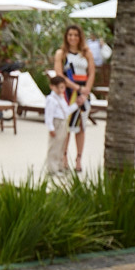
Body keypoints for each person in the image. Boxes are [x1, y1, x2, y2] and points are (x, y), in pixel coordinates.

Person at [53, 24, 96, 172]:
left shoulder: (87, 53)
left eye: (76, 35)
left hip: (84, 93)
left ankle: (78, 159)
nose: (73, 38)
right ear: (66, 36)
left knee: (81, 127)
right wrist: (77, 88)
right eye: (70, 34)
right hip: (68, 93)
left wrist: (85, 92)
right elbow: (59, 75)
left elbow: (91, 73)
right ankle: (64, 157)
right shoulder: (61, 54)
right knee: (66, 126)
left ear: (80, 37)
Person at [44, 75, 82, 175]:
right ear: (52, 87)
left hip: (63, 123)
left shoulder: (61, 98)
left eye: (63, 87)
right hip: (56, 123)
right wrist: (51, 128)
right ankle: (52, 168)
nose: (62, 90)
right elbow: (49, 115)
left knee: (62, 146)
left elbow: (66, 111)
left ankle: (60, 166)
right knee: (54, 146)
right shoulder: (51, 99)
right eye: (60, 87)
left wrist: (76, 105)